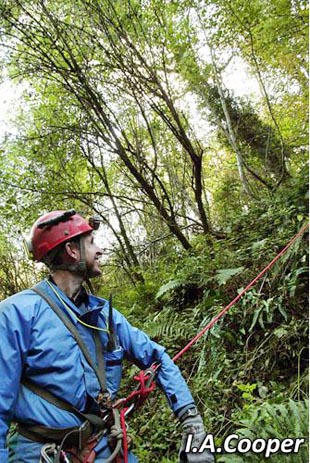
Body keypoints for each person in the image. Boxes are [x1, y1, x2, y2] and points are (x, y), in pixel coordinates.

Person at [0, 209, 215, 463]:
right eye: (92, 243)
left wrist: (192, 425)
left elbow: (157, 357)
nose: (100, 250)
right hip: (40, 455)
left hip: (105, 446)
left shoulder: (104, 316)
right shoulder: (16, 315)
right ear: (72, 250)